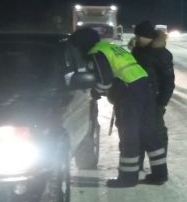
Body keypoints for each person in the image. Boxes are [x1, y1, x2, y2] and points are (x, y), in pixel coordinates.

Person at [68, 27, 168, 187]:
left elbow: (105, 80)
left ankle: (128, 178)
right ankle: (160, 174)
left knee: (129, 134)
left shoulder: (96, 53)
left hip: (129, 91)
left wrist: (96, 92)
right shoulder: (110, 47)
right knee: (148, 131)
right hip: (144, 86)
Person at [131, 20, 175, 170]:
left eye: (139, 36)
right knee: (135, 132)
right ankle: (135, 165)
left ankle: (159, 168)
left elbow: (168, 81)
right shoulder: (136, 50)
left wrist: (161, 103)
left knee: (156, 133)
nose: (136, 39)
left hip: (154, 101)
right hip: (135, 100)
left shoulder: (162, 54)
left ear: (148, 37)